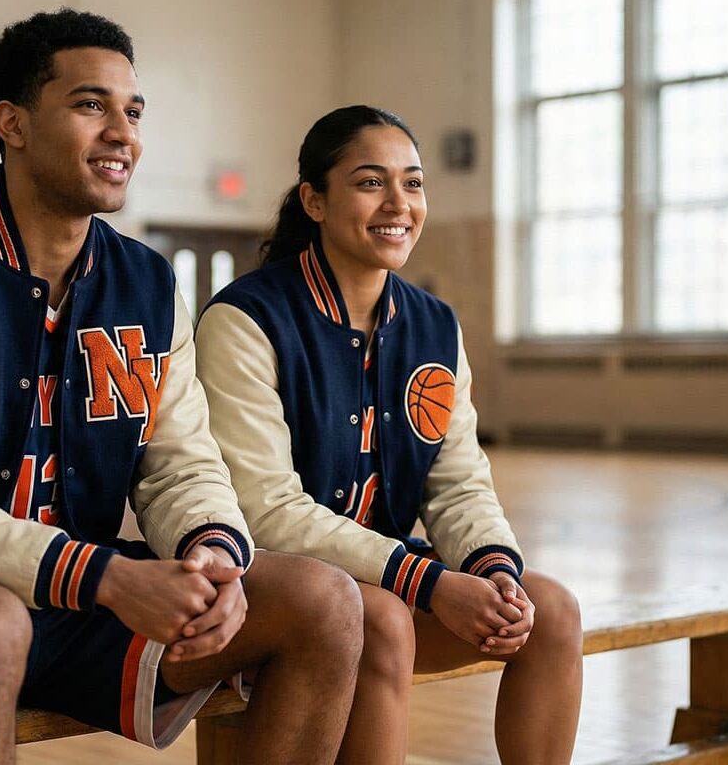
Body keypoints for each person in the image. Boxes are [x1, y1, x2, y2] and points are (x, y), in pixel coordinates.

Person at [0, 10, 363, 765]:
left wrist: (212, 549)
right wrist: (108, 577)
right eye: (92, 105)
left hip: (78, 593)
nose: (124, 132)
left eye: (134, 110)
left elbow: (179, 464)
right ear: (13, 123)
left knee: (324, 601)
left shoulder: (149, 284)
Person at [195, 105, 583, 764]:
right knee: (383, 619)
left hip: (384, 580)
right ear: (314, 201)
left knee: (550, 612)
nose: (398, 203)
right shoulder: (245, 320)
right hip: (269, 587)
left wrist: (495, 571)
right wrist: (429, 584)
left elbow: (458, 480)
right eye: (371, 182)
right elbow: (264, 510)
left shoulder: (433, 326)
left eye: (414, 182)